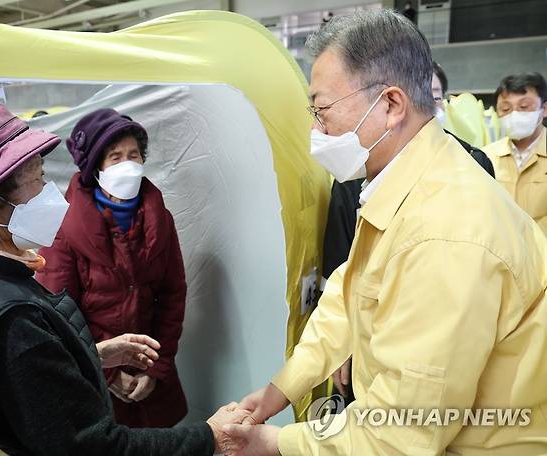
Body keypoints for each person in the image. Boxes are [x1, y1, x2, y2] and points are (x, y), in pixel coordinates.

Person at [224, 10, 547, 455]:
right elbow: (348, 296)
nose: (316, 131)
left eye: (323, 111)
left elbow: (403, 430)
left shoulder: (446, 231)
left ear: (391, 105)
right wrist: (281, 389)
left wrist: (276, 443)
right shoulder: (408, 180)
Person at [0, 97, 249, 455]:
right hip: (106, 399)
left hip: (141, 369)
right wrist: (211, 437)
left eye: (134, 154)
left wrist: (100, 355)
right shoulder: (16, 321)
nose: (50, 192)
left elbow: (173, 293)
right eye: (38, 179)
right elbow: (94, 447)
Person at [323, 60, 495, 409]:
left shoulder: (473, 164)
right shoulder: (357, 170)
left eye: (432, 97)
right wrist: (340, 343)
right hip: (370, 340)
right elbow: (341, 267)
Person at [37, 109, 188, 428]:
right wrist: (105, 371)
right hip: (91, 378)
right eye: (115, 157)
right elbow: (57, 315)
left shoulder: (160, 220)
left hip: (150, 377)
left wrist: (156, 369)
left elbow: (173, 297)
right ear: (96, 169)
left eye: (134, 155)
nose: (127, 165)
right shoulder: (64, 229)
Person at [482, 72, 547, 234]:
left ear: (544, 109)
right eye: (506, 108)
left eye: (524, 107)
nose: (514, 114)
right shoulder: (486, 157)